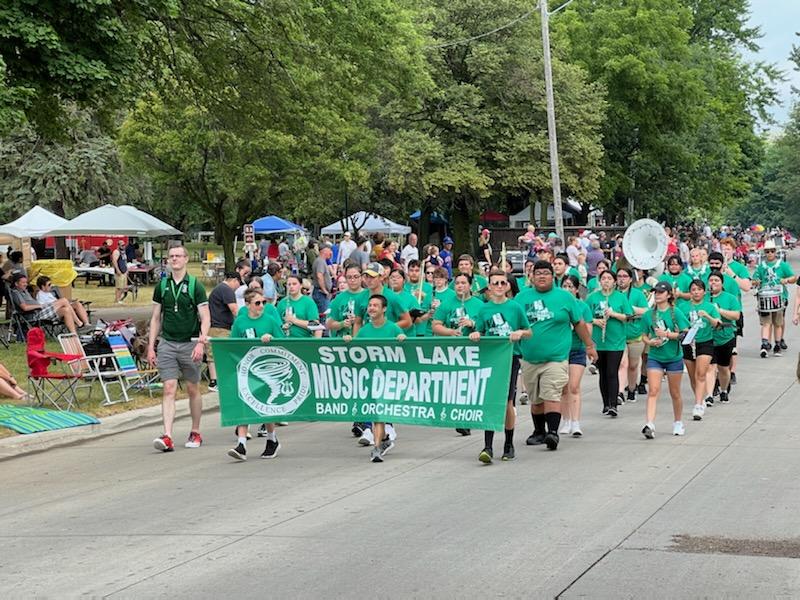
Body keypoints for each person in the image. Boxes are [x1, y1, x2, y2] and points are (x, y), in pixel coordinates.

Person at [515, 262, 595, 451]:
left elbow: (579, 323)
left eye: (546, 273)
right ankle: (539, 431)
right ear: (532, 276)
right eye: (538, 273)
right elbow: (513, 322)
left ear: (553, 277)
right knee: (536, 400)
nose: (542, 276)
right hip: (529, 357)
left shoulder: (565, 297)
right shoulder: (521, 298)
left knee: (551, 393)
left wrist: (589, 345)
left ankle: (552, 433)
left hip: (556, 358)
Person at [148, 245, 210, 452]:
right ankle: (167, 435)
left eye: (178, 256)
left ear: (186, 259)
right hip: (167, 343)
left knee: (193, 388)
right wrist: (151, 346)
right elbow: (156, 318)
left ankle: (195, 430)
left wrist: (200, 342)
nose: (174, 259)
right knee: (169, 388)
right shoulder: (162, 285)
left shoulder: (195, 286)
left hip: (190, 343)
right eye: (171, 256)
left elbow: (205, 317)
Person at [468, 268, 531, 463]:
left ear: (508, 286)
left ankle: (508, 444)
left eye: (503, 283)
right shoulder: (484, 309)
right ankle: (487, 446)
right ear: (489, 286)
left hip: (510, 357)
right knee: (490, 400)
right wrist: (476, 334)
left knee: (507, 402)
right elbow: (479, 331)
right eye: (495, 283)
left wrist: (520, 333)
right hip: (490, 358)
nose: (499, 286)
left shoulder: (515, 307)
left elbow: (529, 331)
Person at [343, 295, 406, 463]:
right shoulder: (364, 330)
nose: (371, 308)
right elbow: (356, 352)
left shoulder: (393, 328)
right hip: (371, 378)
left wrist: (402, 340)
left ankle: (377, 448)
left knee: (379, 413)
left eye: (375, 305)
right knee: (377, 413)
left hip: (389, 379)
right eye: (370, 305)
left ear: (384, 309)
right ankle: (383, 441)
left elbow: (406, 351)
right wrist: (349, 341)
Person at [227, 289, 285, 461]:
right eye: (257, 303)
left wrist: (271, 337)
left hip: (266, 369)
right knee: (244, 402)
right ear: (247, 305)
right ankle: (241, 444)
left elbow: (283, 340)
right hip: (247, 368)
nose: (261, 306)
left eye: (263, 302)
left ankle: (272, 438)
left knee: (264, 405)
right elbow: (232, 344)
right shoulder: (240, 322)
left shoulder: (269, 320)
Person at [640, 281, 689, 439]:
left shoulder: (676, 312)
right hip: (655, 356)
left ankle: (678, 422)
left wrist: (667, 335)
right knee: (653, 390)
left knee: (675, 392)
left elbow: (685, 333)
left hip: (674, 356)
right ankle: (650, 423)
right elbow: (644, 335)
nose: (657, 295)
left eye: (661, 292)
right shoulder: (648, 314)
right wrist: (649, 342)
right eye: (656, 292)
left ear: (669, 295)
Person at [586, 270, 633, 417]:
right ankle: (606, 403)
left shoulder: (620, 297)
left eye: (609, 278)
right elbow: (585, 316)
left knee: (612, 371)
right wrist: (595, 321)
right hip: (598, 341)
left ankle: (613, 404)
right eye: (603, 278)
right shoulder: (592, 297)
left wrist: (613, 314)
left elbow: (628, 316)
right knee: (603, 373)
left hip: (616, 341)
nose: (606, 281)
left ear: (614, 282)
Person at [678, 279, 720, 420]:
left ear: (704, 292)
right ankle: (700, 398)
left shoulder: (710, 307)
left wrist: (707, 315)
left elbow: (717, 323)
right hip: (688, 343)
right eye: (693, 290)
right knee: (693, 376)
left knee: (701, 373)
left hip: (705, 342)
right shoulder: (683, 307)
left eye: (699, 289)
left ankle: (697, 406)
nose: (696, 292)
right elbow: (678, 324)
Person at [558, 275, 592, 436]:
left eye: (570, 286)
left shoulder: (582, 307)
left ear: (577, 289)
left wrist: (577, 325)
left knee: (574, 386)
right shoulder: (558, 305)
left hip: (577, 349)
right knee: (564, 388)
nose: (567, 289)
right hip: (560, 351)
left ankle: (576, 422)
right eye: (564, 286)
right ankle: (566, 420)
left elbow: (588, 331)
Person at [752, 240, 795, 358]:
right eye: (767, 251)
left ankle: (777, 344)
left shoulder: (782, 265)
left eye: (772, 251)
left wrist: (786, 280)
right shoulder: (761, 266)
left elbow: (793, 277)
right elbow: (754, 279)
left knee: (778, 322)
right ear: (764, 253)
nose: (770, 253)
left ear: (775, 252)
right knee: (766, 322)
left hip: (779, 297)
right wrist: (756, 281)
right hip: (765, 297)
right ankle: (765, 344)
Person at [615, 268, 649, 404]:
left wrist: (632, 309)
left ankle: (631, 389)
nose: (621, 279)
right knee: (622, 364)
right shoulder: (613, 294)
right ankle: (619, 392)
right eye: (619, 276)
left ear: (630, 279)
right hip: (617, 335)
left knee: (633, 366)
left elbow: (646, 311)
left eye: (625, 276)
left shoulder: (638, 294)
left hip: (635, 334)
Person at [708, 270, 741, 405]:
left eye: (716, 280)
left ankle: (724, 390)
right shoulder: (704, 298)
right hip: (708, 337)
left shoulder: (730, 298)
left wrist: (719, 311)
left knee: (723, 367)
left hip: (725, 337)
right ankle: (709, 395)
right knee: (710, 367)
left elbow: (736, 315)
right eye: (711, 280)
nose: (713, 283)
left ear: (722, 283)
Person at [10, 273, 82, 334]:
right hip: (35, 315)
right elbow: (25, 308)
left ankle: (74, 334)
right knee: (64, 300)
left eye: (26, 282)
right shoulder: (16, 293)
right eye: (23, 282)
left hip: (40, 311)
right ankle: (79, 324)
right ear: (16, 284)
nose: (26, 284)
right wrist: (39, 306)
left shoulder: (24, 291)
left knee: (66, 310)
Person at [206, 272, 241, 392]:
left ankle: (215, 380)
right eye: (238, 284)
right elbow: (234, 309)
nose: (237, 288)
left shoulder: (218, 289)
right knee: (221, 353)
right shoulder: (226, 290)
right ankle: (218, 380)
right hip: (220, 328)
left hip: (214, 326)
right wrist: (244, 320)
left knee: (213, 353)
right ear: (235, 280)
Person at [326, 264, 368, 338]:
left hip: (365, 339)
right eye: (349, 277)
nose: (352, 280)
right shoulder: (339, 298)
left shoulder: (368, 295)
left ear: (361, 277)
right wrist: (342, 324)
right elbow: (329, 324)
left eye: (356, 277)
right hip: (343, 340)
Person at [277, 275, 324, 339]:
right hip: (285, 340)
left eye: (294, 284)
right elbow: (277, 324)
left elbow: (315, 324)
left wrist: (294, 321)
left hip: (303, 340)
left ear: (301, 285)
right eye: (289, 284)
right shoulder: (282, 303)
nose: (291, 286)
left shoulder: (308, 302)